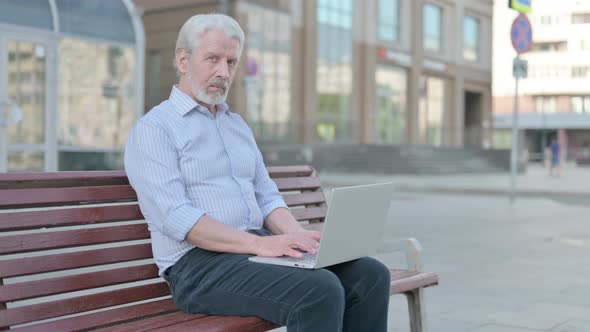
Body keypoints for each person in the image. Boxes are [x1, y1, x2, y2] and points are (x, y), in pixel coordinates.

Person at [124, 14, 390, 332]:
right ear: (183, 59)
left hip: (250, 252)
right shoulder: (155, 129)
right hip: (196, 267)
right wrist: (260, 245)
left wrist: (296, 239)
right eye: (213, 59)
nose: (223, 72)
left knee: (370, 276)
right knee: (319, 290)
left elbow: (266, 195)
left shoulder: (236, 126)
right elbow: (177, 217)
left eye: (232, 62)